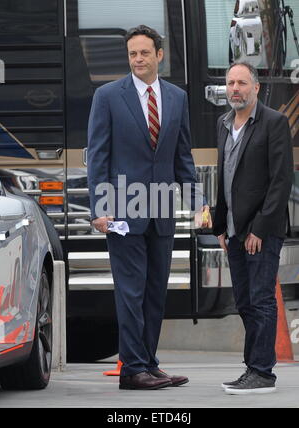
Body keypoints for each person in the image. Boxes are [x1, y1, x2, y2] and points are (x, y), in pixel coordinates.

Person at [87, 25, 210, 390]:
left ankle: (149, 363)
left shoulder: (176, 97)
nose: (137, 60)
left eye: (144, 53)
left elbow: (181, 157)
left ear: (159, 55)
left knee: (156, 291)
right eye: (131, 54)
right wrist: (99, 209)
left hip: (161, 210)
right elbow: (98, 157)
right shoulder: (108, 96)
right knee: (131, 291)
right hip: (122, 211)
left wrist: (198, 203)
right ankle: (132, 369)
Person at [213, 62, 293, 395]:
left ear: (256, 88)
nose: (235, 89)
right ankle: (253, 368)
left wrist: (260, 228)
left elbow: (280, 181)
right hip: (233, 230)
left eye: (242, 83)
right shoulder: (223, 123)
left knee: (261, 300)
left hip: (261, 230)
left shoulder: (274, 123)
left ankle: (262, 372)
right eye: (230, 83)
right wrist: (220, 225)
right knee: (244, 301)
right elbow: (224, 179)